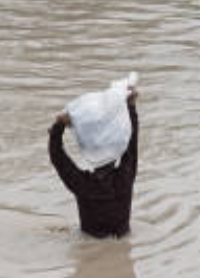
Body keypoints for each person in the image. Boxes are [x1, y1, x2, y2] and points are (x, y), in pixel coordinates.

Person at [49, 87, 138, 238]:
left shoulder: (83, 185)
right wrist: (131, 106)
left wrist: (58, 127)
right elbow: (132, 142)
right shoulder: (125, 178)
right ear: (116, 150)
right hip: (122, 240)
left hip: (90, 243)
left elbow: (57, 156)